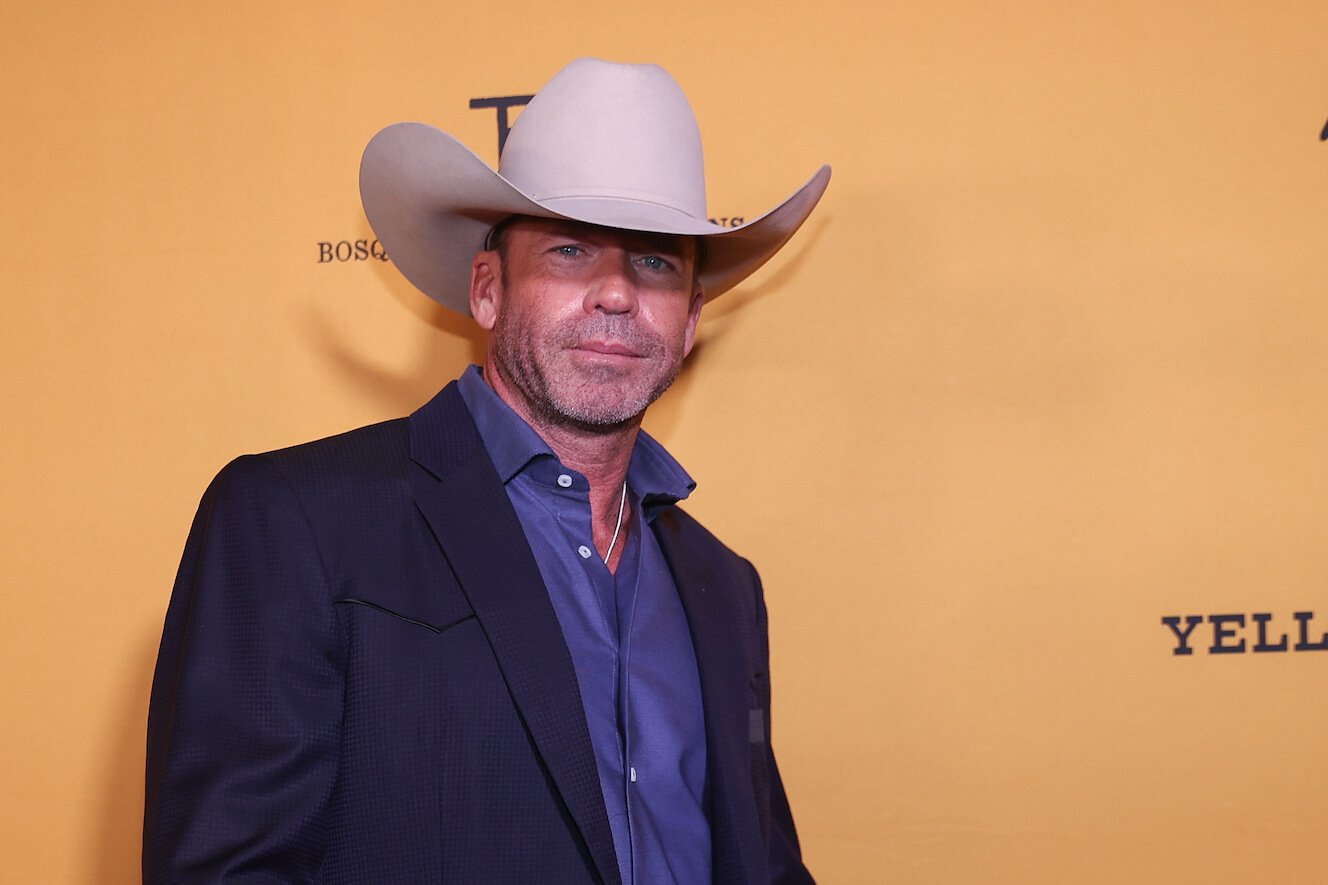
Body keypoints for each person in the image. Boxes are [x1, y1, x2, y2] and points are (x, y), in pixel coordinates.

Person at [144, 57, 830, 884]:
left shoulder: (725, 585)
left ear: (688, 322)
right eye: (571, 250)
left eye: (655, 262)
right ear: (487, 291)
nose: (616, 293)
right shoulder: (295, 522)